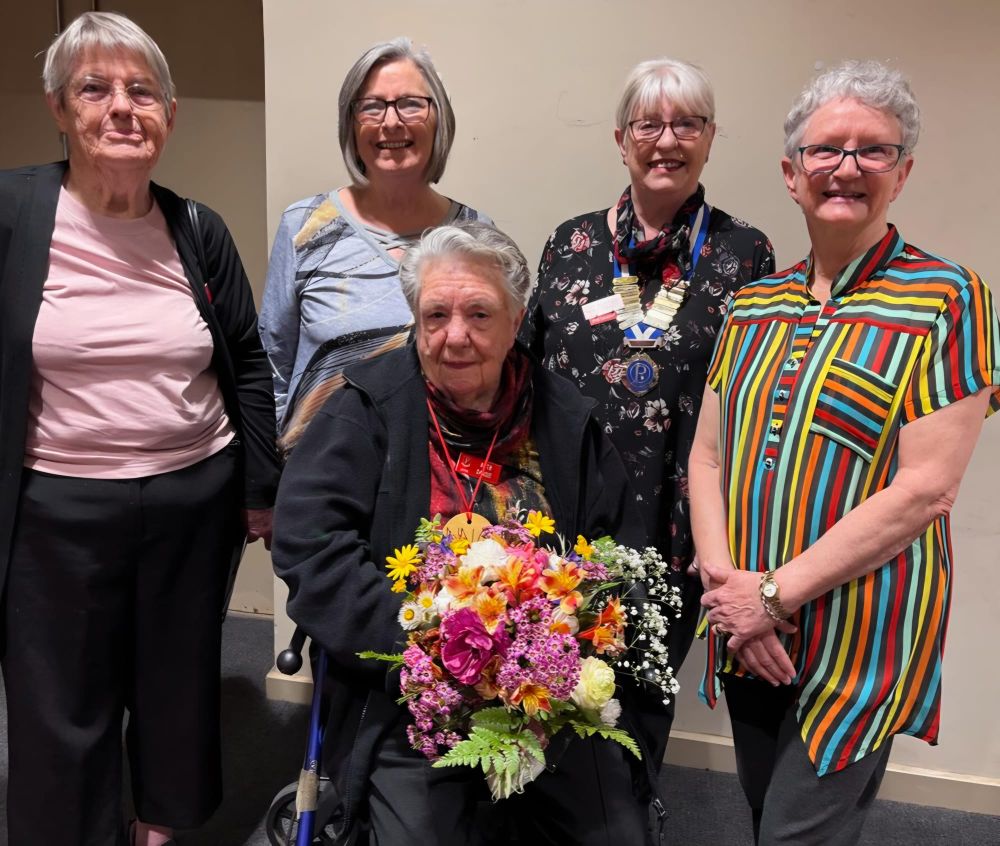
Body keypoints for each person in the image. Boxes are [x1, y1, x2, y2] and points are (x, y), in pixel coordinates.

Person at [690, 60, 1000, 845]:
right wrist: (736, 600)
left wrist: (770, 597)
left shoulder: (949, 298)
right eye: (827, 150)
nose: (848, 168)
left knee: (798, 836)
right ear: (792, 173)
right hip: (751, 633)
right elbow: (708, 462)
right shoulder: (754, 304)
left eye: (875, 151)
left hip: (862, 641)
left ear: (903, 173)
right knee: (766, 818)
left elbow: (926, 489)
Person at [272, 221, 659, 845]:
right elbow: (312, 546)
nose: (456, 336)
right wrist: (428, 654)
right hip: (411, 695)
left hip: (549, 695)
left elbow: (621, 555)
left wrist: (560, 652)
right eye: (436, 315)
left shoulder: (566, 418)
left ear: (515, 320)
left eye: (479, 314)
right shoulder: (364, 410)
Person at [0, 12, 280, 846]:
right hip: (55, 509)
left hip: (193, 499)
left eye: (142, 91)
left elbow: (248, 360)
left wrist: (258, 489)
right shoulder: (13, 211)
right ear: (60, 108)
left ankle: (158, 826)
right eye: (95, 88)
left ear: (169, 114)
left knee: (177, 681)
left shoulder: (196, 228)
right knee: (60, 704)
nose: (122, 107)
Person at [519, 57, 775, 762]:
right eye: (650, 123)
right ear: (621, 137)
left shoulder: (744, 253)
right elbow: (526, 376)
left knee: (636, 724)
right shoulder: (570, 245)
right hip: (563, 523)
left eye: (686, 123)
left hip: (674, 528)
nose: (668, 140)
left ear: (711, 137)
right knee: (542, 703)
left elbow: (752, 407)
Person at [259, 37, 490, 454]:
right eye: (372, 106)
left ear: (440, 119)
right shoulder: (305, 227)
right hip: (318, 480)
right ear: (352, 123)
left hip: (439, 483)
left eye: (410, 104)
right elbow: (271, 367)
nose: (391, 122)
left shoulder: (474, 235)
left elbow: (489, 369)